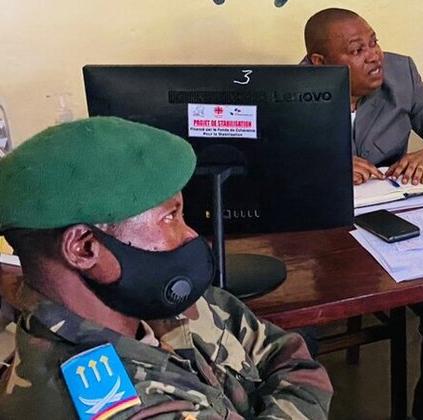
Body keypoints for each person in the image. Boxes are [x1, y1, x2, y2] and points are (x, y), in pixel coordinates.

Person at [0, 117, 333, 418]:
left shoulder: (151, 298)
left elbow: (291, 355)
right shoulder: (106, 401)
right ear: (84, 247)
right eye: (170, 217)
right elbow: (301, 377)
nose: (190, 235)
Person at [304, 7, 423, 420]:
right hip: (315, 240)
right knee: (292, 315)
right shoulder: (288, 92)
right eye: (357, 50)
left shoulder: (401, 75)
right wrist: (326, 166)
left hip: (388, 225)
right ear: (319, 62)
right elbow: (260, 167)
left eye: (374, 41)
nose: (374, 55)